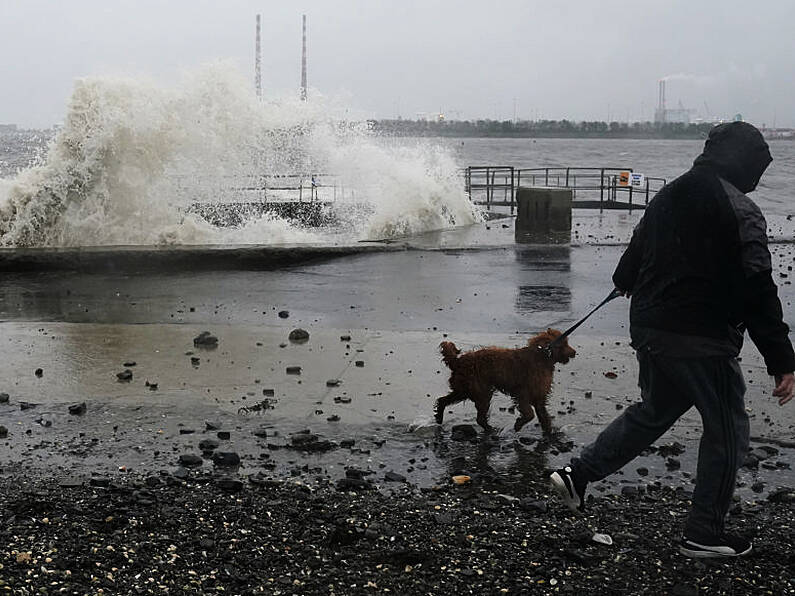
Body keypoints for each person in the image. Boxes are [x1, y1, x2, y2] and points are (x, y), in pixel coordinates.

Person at [549, 121, 794, 558]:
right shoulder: (741, 209)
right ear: (746, 163)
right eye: (760, 167)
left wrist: (627, 280)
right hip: (700, 338)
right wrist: (782, 359)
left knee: (653, 411)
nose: (760, 179)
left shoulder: (669, 193)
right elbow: (759, 288)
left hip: (649, 326)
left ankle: (578, 473)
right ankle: (704, 532)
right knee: (729, 430)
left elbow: (634, 257)